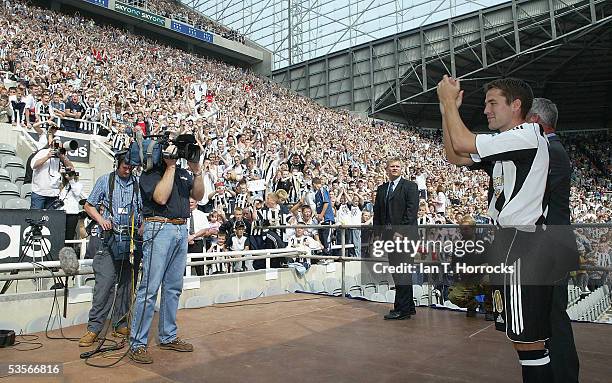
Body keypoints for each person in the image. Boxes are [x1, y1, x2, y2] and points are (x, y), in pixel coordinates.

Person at [438, 76, 552, 382]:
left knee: (529, 341)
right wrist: (443, 107)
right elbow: (455, 155)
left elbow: (463, 142)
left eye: (492, 103)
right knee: (523, 339)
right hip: (511, 244)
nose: (486, 110)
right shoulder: (508, 143)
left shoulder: (526, 135)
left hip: (524, 246)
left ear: (515, 106)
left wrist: (450, 102)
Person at [129, 147, 204, 364]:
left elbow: (198, 195)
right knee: (150, 288)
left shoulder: (183, 172)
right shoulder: (151, 173)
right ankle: (138, 343)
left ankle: (168, 335)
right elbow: (161, 198)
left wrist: (196, 171)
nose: (177, 152)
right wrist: (170, 166)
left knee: (173, 287)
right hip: (159, 227)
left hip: (181, 229)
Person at [526, 98, 579, 383]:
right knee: (549, 319)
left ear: (535, 122)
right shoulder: (553, 149)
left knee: (554, 320)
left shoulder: (550, 151)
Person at [78, 153, 142, 347]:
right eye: (125, 166)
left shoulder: (138, 184)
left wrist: (142, 225)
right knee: (104, 286)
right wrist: (101, 220)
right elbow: (89, 206)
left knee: (126, 285)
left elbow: (144, 211)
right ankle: (94, 328)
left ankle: (120, 323)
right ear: (117, 164)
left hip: (130, 241)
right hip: (108, 240)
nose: (128, 170)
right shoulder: (105, 180)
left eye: (131, 167)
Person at [373, 157, 419, 320]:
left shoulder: (410, 186)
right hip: (388, 237)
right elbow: (377, 212)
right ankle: (408, 306)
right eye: (391, 166)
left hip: (405, 237)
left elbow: (411, 211)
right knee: (397, 272)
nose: (394, 168)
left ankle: (402, 309)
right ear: (386, 169)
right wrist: (377, 233)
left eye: (397, 166)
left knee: (403, 273)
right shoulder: (382, 188)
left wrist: (401, 232)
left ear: (402, 169)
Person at [30, 136, 75, 209]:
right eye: (56, 146)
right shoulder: (42, 152)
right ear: (51, 145)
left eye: (60, 147)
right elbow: (33, 165)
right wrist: (47, 157)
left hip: (53, 193)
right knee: (35, 217)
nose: (58, 149)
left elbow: (72, 169)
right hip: (39, 192)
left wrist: (63, 158)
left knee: (51, 218)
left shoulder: (61, 156)